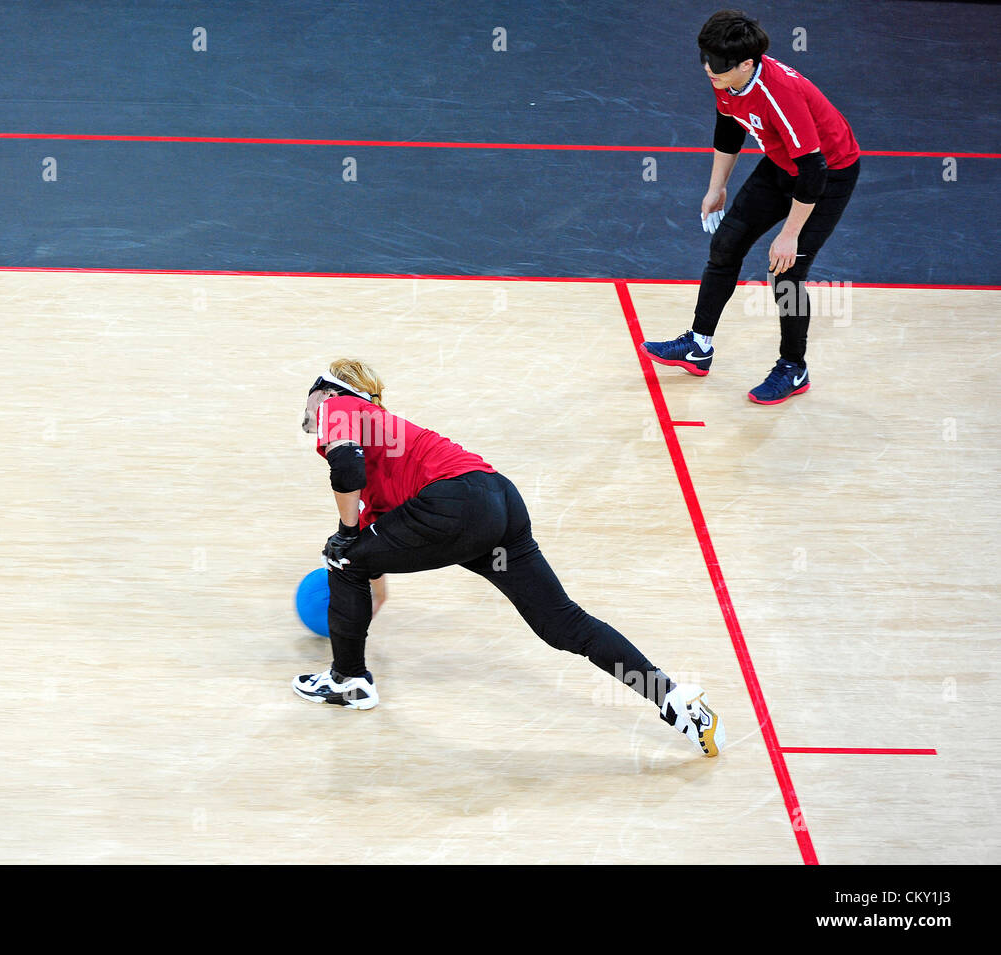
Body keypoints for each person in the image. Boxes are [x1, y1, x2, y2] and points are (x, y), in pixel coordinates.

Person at [293, 359, 726, 758]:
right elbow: (375, 556)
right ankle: (672, 696)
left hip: (454, 503)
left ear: (330, 392)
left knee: (346, 557)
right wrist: (359, 581)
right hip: (496, 502)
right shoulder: (389, 452)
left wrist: (347, 541)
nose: (310, 411)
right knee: (563, 624)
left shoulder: (342, 407)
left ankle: (349, 681)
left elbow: (345, 470)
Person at [643, 9, 860, 405]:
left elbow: (814, 171)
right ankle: (698, 345)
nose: (710, 71)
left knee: (787, 273)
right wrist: (717, 187)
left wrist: (789, 234)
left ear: (748, 64)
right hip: (781, 163)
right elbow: (728, 126)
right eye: (705, 60)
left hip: (827, 175)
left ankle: (794, 367)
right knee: (725, 245)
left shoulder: (780, 94)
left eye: (719, 67)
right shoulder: (725, 75)